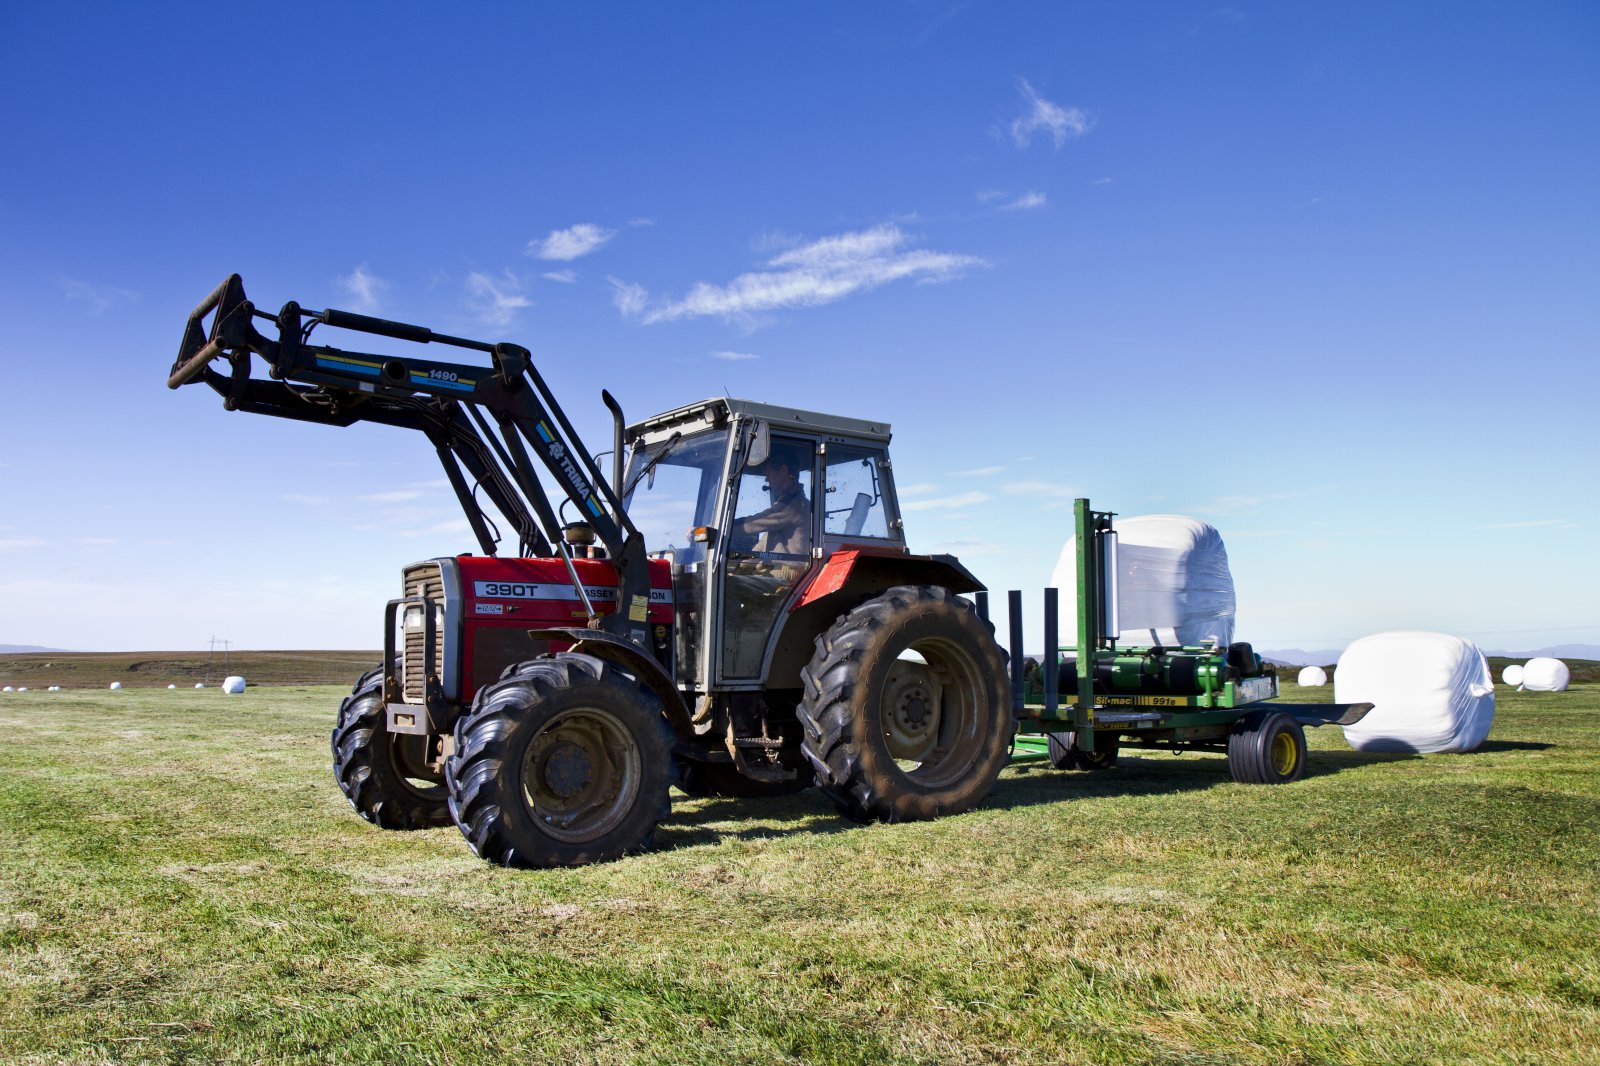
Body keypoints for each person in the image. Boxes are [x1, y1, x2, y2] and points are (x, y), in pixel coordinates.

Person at [732, 447, 810, 555]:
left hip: (790, 565)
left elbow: (755, 523)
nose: (766, 478)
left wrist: (724, 528)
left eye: (768, 472)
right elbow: (765, 542)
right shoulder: (785, 510)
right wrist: (746, 559)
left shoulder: (792, 506)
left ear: (784, 470)